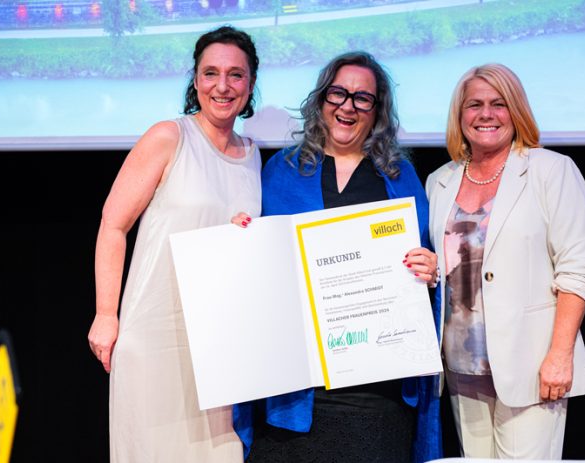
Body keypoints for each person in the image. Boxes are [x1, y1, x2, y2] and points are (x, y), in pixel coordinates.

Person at [232, 51, 442, 463]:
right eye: (338, 93)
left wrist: (430, 268)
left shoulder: (400, 177)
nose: (348, 106)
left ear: (377, 110)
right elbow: (260, 267)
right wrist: (243, 234)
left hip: (376, 391)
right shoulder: (282, 170)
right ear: (322, 99)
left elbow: (421, 262)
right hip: (297, 393)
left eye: (362, 98)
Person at [86, 26, 261, 462]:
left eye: (236, 75)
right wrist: (106, 314)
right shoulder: (170, 137)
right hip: (156, 337)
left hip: (219, 346)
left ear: (251, 83)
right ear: (195, 80)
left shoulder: (254, 153)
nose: (223, 86)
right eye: (211, 73)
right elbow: (113, 224)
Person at [426, 63, 585, 459]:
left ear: (516, 110)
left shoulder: (551, 171)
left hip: (532, 365)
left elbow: (577, 271)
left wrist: (560, 356)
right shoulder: (440, 180)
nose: (485, 114)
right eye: (474, 105)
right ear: (459, 115)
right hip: (460, 364)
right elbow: (453, 269)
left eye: (498, 104)